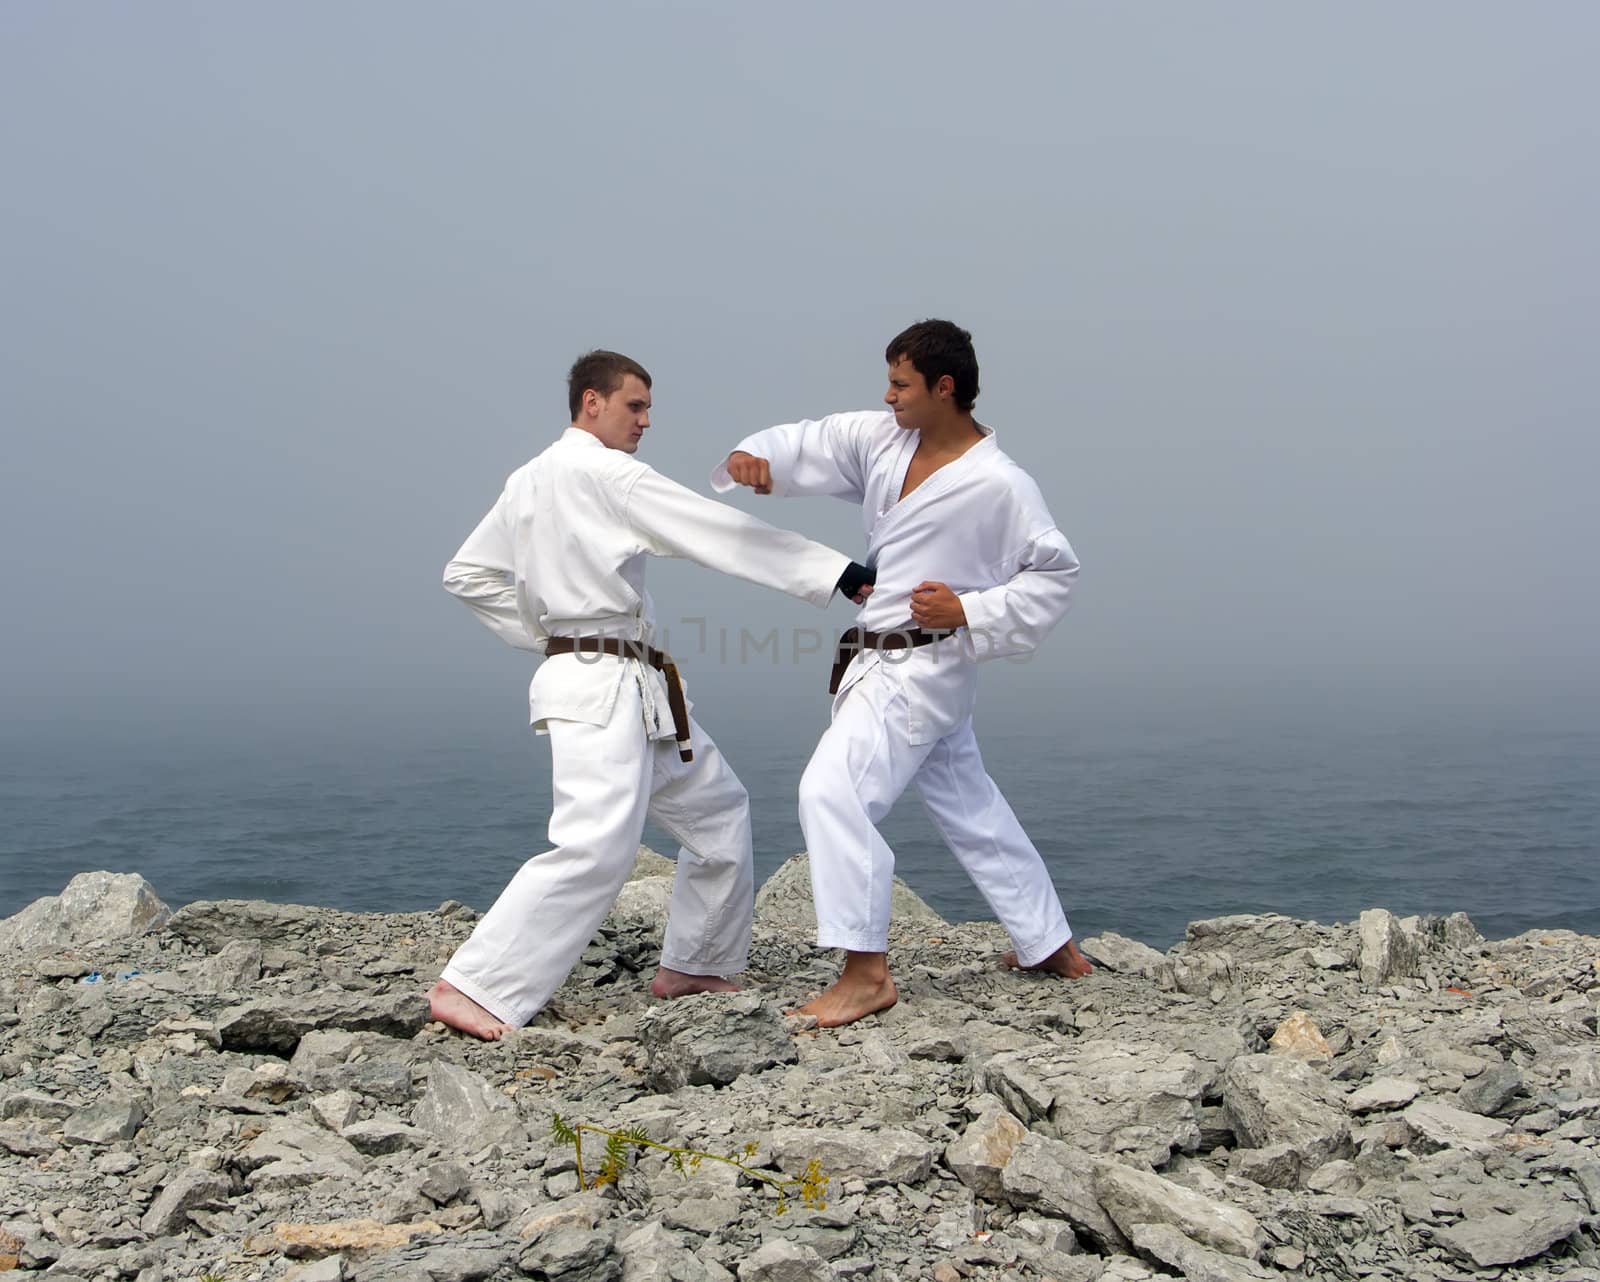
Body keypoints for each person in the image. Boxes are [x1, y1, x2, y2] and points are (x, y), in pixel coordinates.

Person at [431, 350, 874, 1040]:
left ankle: (695, 963)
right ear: (591, 403)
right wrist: (838, 572)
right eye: (634, 407)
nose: (645, 422)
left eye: (648, 410)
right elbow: (715, 530)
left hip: (635, 686)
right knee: (595, 846)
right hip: (602, 687)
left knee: (719, 813)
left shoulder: (528, 480)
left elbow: (467, 575)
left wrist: (546, 634)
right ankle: (477, 987)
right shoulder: (608, 474)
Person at [712, 319, 1091, 1027]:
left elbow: (1056, 574)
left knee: (831, 793)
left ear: (944, 388)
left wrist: (970, 609)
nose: (887, 397)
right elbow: (812, 439)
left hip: (915, 669)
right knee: (970, 805)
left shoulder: (1000, 485)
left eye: (900, 384)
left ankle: (865, 972)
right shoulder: (886, 441)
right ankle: (1049, 944)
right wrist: (752, 455)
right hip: (903, 664)